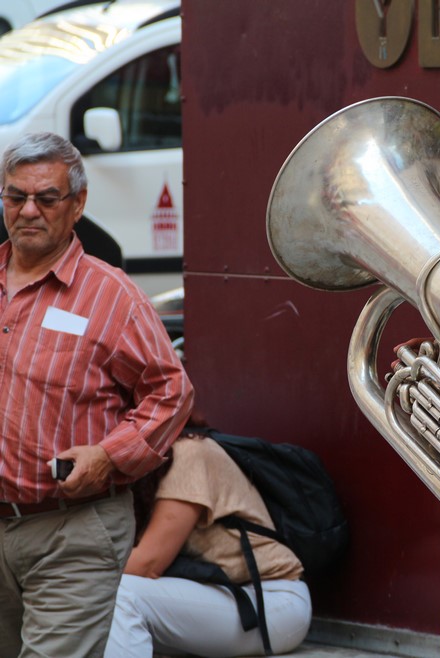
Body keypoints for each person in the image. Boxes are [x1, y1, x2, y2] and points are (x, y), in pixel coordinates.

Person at [0, 131, 193, 657]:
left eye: (47, 197)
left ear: (77, 204)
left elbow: (172, 392)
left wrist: (110, 455)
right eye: (16, 196)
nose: (29, 211)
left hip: (73, 530)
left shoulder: (113, 296)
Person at [104, 428, 312, 657]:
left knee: (118, 593)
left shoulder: (189, 452)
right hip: (219, 597)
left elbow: (149, 564)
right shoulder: (140, 467)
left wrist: (76, 572)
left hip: (273, 603)